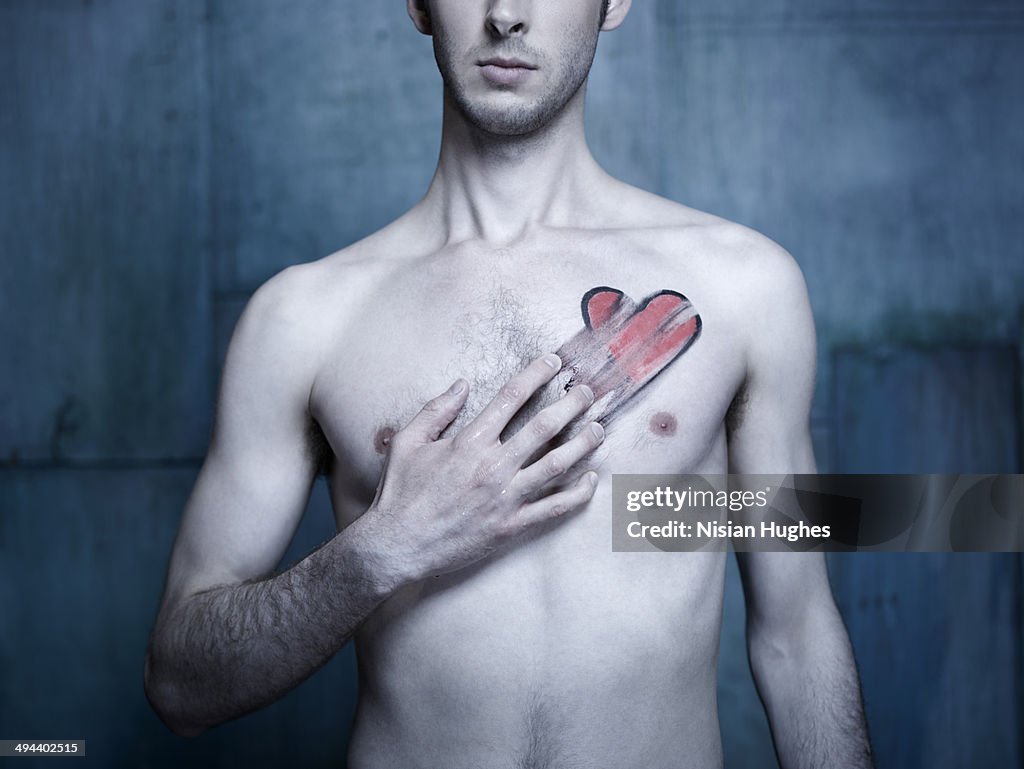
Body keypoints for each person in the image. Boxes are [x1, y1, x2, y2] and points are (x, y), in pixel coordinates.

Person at [145, 1, 874, 766]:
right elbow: (179, 685)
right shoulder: (302, 320)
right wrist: (382, 550)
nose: (506, 15)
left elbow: (797, 636)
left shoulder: (746, 289)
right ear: (418, 5)